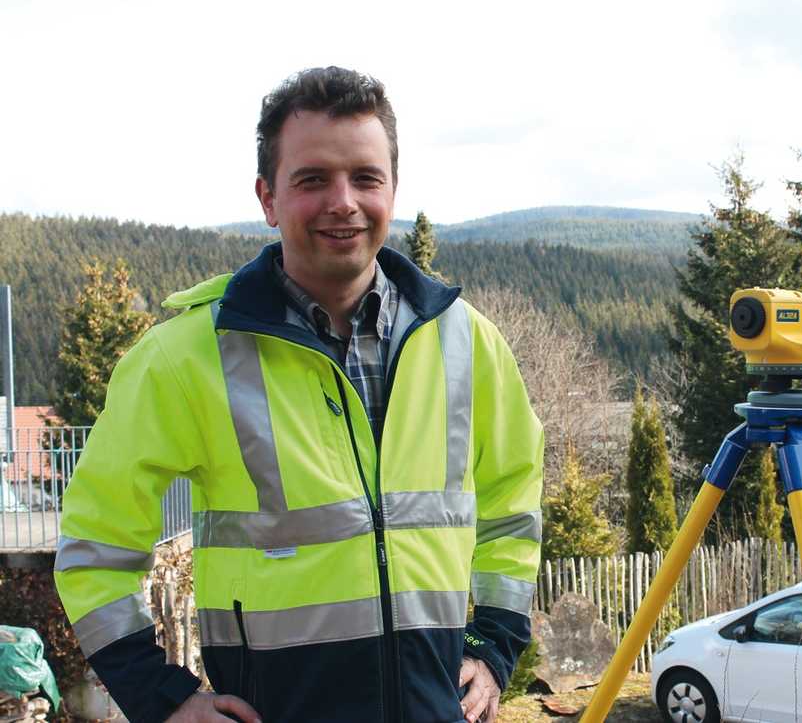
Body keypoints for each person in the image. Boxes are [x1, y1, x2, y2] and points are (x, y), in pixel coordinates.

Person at [54, 67, 544, 723]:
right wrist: (160, 697)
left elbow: (512, 504)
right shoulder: (184, 358)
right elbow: (94, 546)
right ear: (268, 197)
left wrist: (494, 647)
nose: (343, 202)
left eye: (365, 178)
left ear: (392, 189)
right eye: (313, 179)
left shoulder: (466, 342)